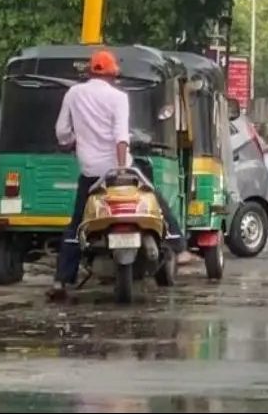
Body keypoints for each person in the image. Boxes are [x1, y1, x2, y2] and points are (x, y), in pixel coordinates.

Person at [49, 50, 184, 299]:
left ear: (90, 71)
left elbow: (61, 132)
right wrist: (122, 170)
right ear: (113, 74)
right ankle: (176, 243)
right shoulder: (118, 97)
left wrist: (72, 141)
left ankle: (61, 282)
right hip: (121, 169)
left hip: (91, 174)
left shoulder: (74, 94)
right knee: (156, 201)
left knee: (77, 225)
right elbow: (121, 136)